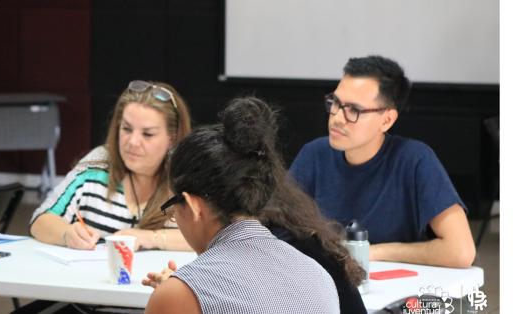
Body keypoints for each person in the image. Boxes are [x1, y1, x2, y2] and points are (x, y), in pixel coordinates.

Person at [143, 97, 366, 313]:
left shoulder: (180, 294)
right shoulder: (318, 275)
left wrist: (176, 295)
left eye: (172, 207)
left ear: (193, 206)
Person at [289, 55, 476, 268]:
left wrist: (370, 252)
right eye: (335, 103)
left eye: (354, 110)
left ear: (386, 120)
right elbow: (278, 229)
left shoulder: (415, 160)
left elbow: (461, 251)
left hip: (400, 290)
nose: (338, 118)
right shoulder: (314, 155)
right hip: (327, 286)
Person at [30, 80, 193, 252]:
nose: (133, 142)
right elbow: (40, 220)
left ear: (172, 138)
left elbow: (217, 239)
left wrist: (150, 238)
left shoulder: (187, 176)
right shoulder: (98, 163)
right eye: (127, 129)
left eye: (148, 134)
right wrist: (66, 234)